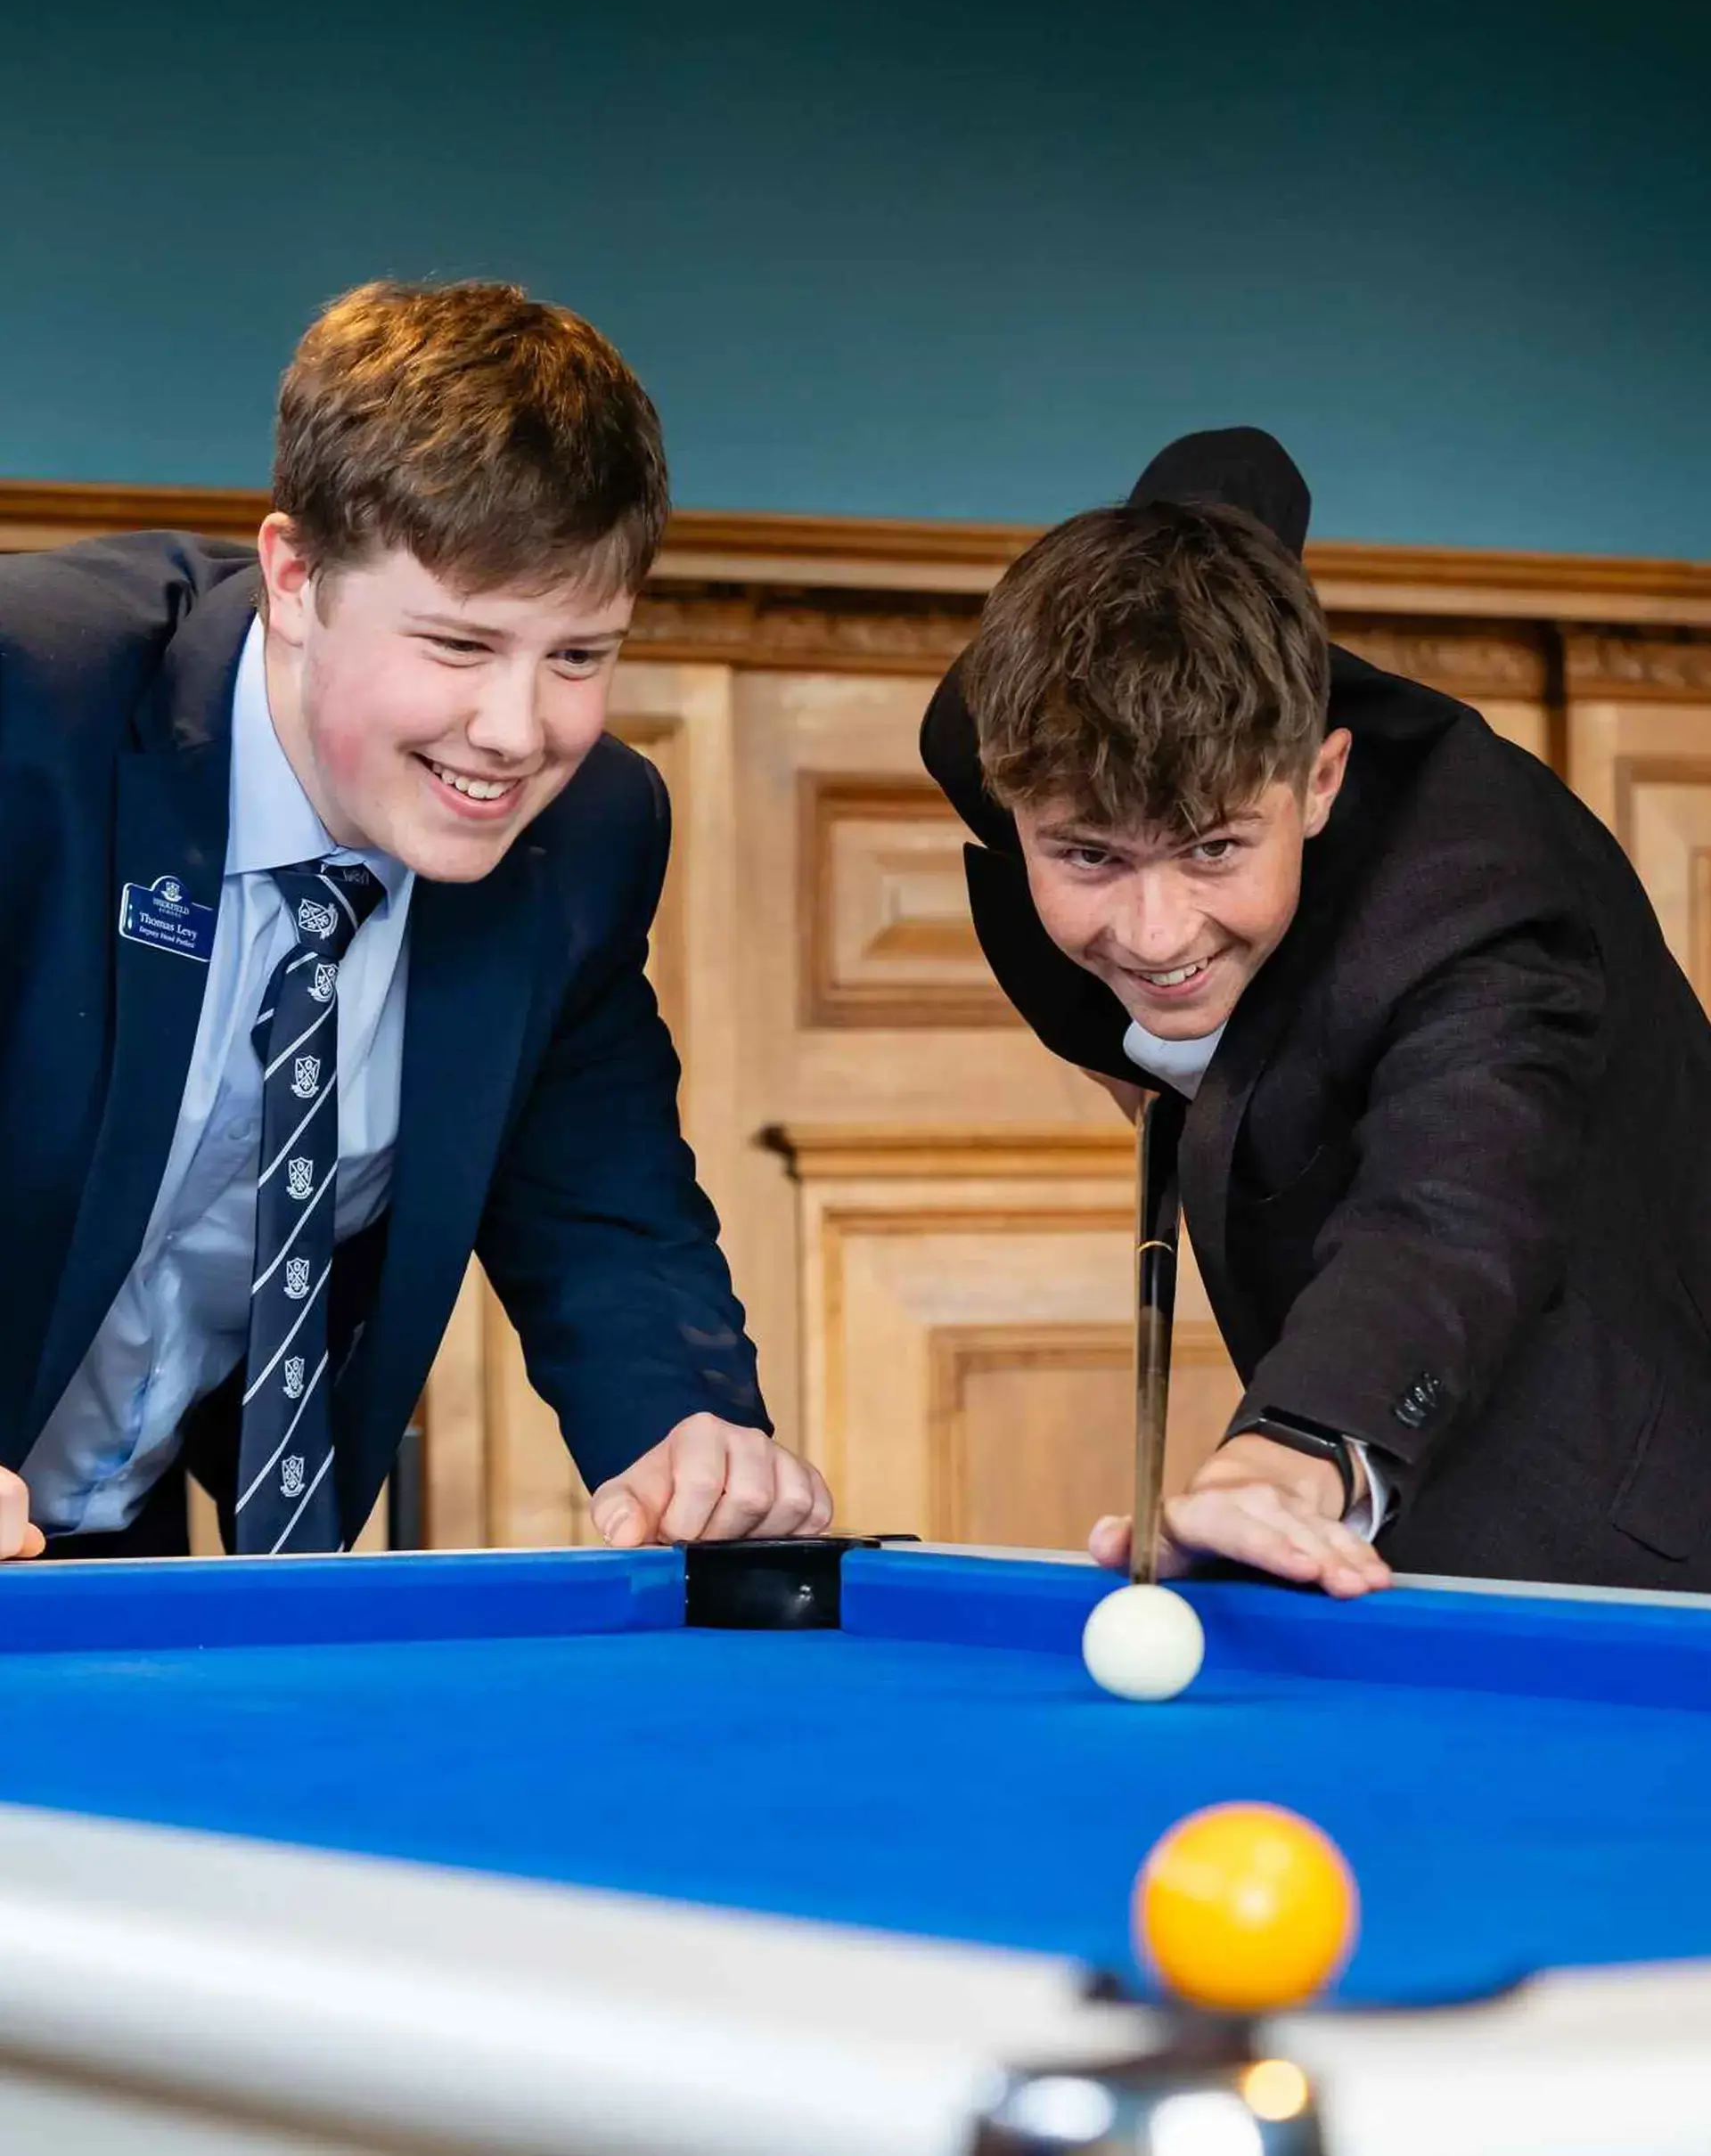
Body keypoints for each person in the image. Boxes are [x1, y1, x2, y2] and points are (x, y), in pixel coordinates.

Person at [0, 279, 831, 1561]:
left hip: (127, 1564)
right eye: (457, 645)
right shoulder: (27, 705)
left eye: (578, 658)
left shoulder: (587, 834)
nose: (516, 734)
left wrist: (686, 1437)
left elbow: (600, 1199)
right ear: (295, 576)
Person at [921, 428, 1711, 1596]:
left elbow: (1449, 1212)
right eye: (1088, 855)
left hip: (1606, 1478)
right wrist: (1126, 1045)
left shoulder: (1479, 894)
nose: (1156, 932)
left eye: (1215, 849)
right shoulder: (991, 728)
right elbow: (1234, 471)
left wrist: (1296, 1448)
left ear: (1321, 780)